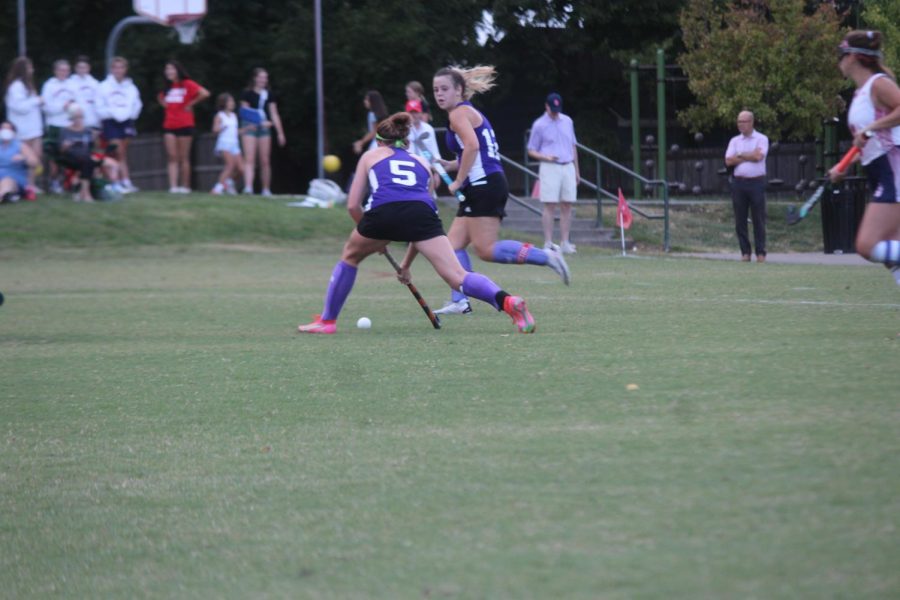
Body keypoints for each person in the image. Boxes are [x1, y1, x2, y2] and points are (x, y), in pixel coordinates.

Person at [297, 112, 536, 334]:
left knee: (350, 256)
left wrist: (370, 235)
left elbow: (352, 205)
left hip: (383, 212)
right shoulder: (422, 163)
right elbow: (418, 224)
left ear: (380, 141)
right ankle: (508, 301)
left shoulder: (370, 156)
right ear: (406, 142)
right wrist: (405, 264)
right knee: (457, 276)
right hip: (422, 215)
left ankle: (327, 321)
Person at [430, 65, 570, 316]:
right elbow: (474, 150)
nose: (439, 94)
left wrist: (457, 180)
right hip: (485, 182)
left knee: (486, 249)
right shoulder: (465, 113)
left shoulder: (458, 115)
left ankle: (547, 256)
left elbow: (472, 147)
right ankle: (460, 300)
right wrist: (451, 165)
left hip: (483, 185)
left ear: (459, 90)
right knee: (452, 246)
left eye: (444, 89)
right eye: (435, 90)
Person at [829, 30, 900, 285]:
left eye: (841, 54)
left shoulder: (879, 84)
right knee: (892, 255)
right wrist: (845, 165)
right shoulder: (860, 94)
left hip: (892, 172)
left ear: (854, 57)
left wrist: (870, 129)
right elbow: (875, 141)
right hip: (878, 170)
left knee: (868, 245)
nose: (839, 61)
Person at [527, 92, 580, 254]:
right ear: (546, 106)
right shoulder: (539, 124)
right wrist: (545, 157)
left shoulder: (567, 121)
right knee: (549, 204)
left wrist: (577, 170)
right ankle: (548, 242)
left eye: (558, 109)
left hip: (567, 165)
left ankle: (565, 242)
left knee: (567, 204)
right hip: (550, 166)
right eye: (553, 109)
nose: (555, 113)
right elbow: (531, 150)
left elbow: (573, 146)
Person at [158, 60, 210, 193]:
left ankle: (185, 186)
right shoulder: (167, 88)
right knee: (172, 156)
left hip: (185, 124)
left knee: (183, 157)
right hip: (169, 124)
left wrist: (191, 104)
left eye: (171, 69)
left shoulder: (187, 84)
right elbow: (161, 99)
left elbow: (205, 93)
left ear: (177, 70)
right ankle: (173, 186)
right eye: (167, 69)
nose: (169, 72)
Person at [725, 110, 769, 262]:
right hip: (739, 183)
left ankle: (761, 253)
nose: (740, 125)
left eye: (743, 122)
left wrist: (741, 155)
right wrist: (748, 155)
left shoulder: (761, 139)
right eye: (738, 122)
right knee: (740, 220)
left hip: (756, 182)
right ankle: (745, 252)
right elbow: (729, 161)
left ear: (751, 122)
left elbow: (758, 157)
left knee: (759, 219)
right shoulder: (734, 141)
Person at [96, 56, 142, 193]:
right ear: (111, 69)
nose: (118, 70)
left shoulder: (131, 87)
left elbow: (137, 104)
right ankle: (116, 182)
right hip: (111, 122)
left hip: (126, 122)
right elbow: (99, 106)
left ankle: (125, 181)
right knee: (117, 151)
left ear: (125, 69)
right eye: (115, 67)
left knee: (123, 153)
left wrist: (129, 115)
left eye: (121, 67)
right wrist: (112, 114)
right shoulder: (103, 86)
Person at [239, 68, 286, 196]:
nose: (263, 80)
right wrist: (257, 122)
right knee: (249, 159)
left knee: (265, 160)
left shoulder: (269, 94)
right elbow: (244, 112)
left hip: (264, 128)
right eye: (261, 77)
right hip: (249, 127)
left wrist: (280, 132)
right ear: (255, 78)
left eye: (265, 77)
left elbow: (274, 114)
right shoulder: (247, 93)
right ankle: (248, 187)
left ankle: (266, 189)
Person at [3, 57, 42, 197]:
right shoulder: (15, 86)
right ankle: (22, 185)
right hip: (23, 129)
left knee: (36, 157)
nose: (32, 69)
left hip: (34, 128)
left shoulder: (28, 85)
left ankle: (31, 185)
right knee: (24, 159)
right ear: (23, 69)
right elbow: (20, 107)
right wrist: (37, 100)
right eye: (30, 67)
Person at [41, 59, 77, 194]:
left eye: (66, 70)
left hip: (70, 125)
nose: (64, 73)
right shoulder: (49, 85)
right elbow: (47, 108)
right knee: (54, 157)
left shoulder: (73, 85)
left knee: (70, 155)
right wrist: (63, 106)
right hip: (55, 125)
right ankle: (54, 183)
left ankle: (69, 183)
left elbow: (77, 104)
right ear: (55, 71)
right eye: (61, 70)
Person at [405, 99, 441, 189]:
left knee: (428, 199)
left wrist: (437, 173)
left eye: (416, 112)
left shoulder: (428, 129)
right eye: (411, 112)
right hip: (408, 169)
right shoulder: (402, 130)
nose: (414, 115)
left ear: (421, 113)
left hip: (426, 170)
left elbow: (434, 152)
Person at [212, 93, 244, 195]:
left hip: (234, 144)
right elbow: (215, 129)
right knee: (230, 166)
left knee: (241, 169)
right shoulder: (219, 115)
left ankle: (229, 183)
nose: (232, 103)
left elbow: (235, 131)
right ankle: (217, 189)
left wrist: (248, 129)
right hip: (224, 143)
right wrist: (221, 128)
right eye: (230, 101)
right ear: (224, 103)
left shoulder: (234, 116)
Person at [0, 121, 38, 203]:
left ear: (13, 131)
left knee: (6, 181)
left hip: (14, 175)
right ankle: (9, 196)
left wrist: (24, 158)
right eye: (3, 128)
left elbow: (34, 162)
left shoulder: (20, 145)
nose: (5, 130)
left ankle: (4, 195)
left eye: (8, 128)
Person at [352, 90, 388, 154]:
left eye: (367, 100)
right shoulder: (382, 114)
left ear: (373, 102)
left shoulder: (372, 114)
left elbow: (373, 132)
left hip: (377, 143)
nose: (364, 102)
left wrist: (361, 143)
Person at [71, 56, 100, 132]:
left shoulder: (95, 83)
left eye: (84, 67)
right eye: (79, 67)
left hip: (92, 122)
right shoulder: (70, 82)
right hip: (74, 123)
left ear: (89, 68)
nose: (82, 70)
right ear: (75, 68)